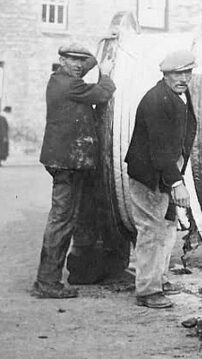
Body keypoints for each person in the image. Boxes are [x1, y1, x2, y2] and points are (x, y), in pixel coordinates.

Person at [33, 43, 115, 298]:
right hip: (68, 163)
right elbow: (103, 93)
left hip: (65, 161)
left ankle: (54, 278)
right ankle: (47, 283)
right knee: (62, 220)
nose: (79, 64)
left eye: (82, 60)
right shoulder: (71, 86)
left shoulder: (60, 79)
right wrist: (107, 72)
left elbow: (83, 66)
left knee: (67, 218)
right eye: (73, 60)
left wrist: (100, 52)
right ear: (61, 59)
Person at [124, 50, 197, 309]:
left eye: (188, 73)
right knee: (151, 230)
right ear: (165, 74)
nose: (184, 78)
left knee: (166, 228)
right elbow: (160, 149)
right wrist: (177, 183)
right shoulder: (156, 101)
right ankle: (147, 290)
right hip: (149, 176)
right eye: (178, 73)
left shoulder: (180, 95)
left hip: (164, 172)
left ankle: (159, 279)